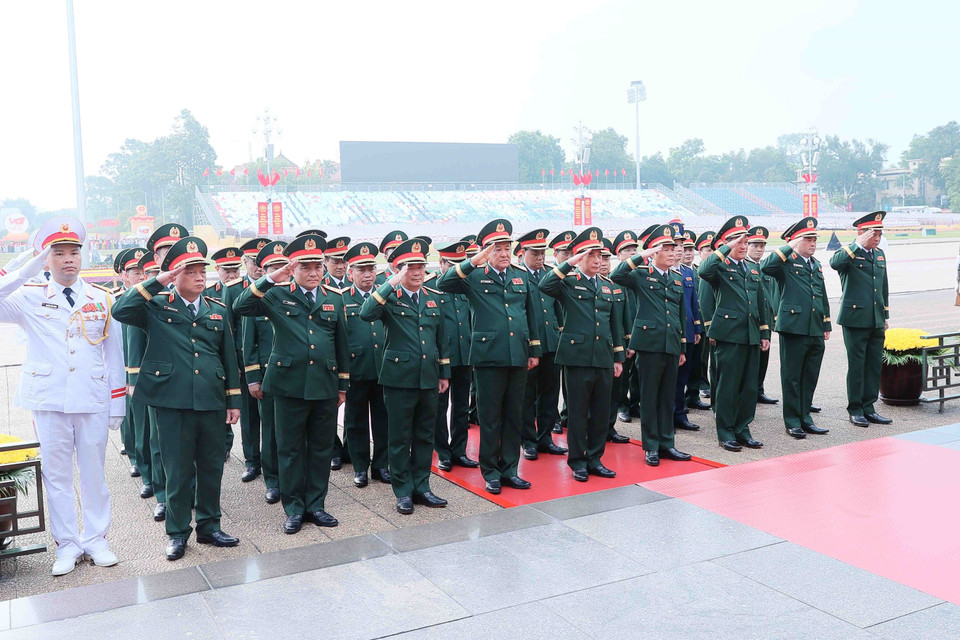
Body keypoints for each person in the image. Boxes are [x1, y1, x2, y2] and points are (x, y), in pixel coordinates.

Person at [0, 218, 125, 575]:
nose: (68, 259)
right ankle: (67, 544)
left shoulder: (101, 298)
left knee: (94, 474)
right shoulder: (27, 296)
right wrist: (23, 269)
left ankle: (97, 539)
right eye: (58, 253)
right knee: (56, 476)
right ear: (46, 259)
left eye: (74, 252)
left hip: (92, 397)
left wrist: (118, 403)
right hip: (48, 399)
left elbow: (114, 355)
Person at [113, 236, 242, 561]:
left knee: (211, 467)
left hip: (211, 400)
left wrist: (233, 401)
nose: (200, 277)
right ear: (174, 275)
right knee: (178, 469)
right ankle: (177, 533)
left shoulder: (217, 310)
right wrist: (159, 281)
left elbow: (228, 358)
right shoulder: (156, 306)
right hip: (171, 402)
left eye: (202, 271)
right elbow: (120, 309)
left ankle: (210, 526)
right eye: (191, 272)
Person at [232, 234, 348, 534]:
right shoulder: (276, 294)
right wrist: (272, 278)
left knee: (321, 448)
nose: (313, 273)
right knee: (291, 449)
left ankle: (316, 505)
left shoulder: (334, 298)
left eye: (317, 267)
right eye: (305, 267)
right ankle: (294, 508)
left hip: (323, 384)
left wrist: (343, 385)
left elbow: (341, 344)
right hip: (287, 385)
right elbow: (242, 306)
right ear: (293, 268)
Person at [437, 219, 541, 495]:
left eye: (507, 248)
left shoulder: (521, 276)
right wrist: (475, 260)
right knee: (490, 417)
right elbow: (444, 282)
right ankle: (491, 472)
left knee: (513, 416)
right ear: (486, 252)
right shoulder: (474, 276)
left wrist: (534, 350)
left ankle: (510, 469)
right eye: (498, 249)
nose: (504, 254)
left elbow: (531, 314)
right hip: (488, 357)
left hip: (518, 355)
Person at [360, 239, 450, 514]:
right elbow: (366, 313)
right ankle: (402, 490)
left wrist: (443, 373)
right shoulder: (389, 298)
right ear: (399, 270)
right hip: (399, 378)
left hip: (428, 376)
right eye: (410, 267)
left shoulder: (434, 297)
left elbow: (441, 339)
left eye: (421, 266)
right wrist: (391, 283)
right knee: (399, 437)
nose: (417, 272)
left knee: (424, 435)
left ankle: (422, 486)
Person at [540, 227, 623, 480]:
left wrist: (618, 357)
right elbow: (545, 285)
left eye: (601, 256)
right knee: (577, 412)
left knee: (600, 411)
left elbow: (614, 324)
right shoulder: (568, 282)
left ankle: (595, 458)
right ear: (579, 258)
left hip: (602, 357)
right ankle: (577, 460)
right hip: (576, 357)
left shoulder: (608, 286)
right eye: (592, 256)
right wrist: (570, 263)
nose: (598, 261)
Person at [612, 225, 692, 466]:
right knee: (649, 396)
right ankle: (651, 446)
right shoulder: (642, 274)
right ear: (654, 252)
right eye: (665, 249)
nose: (671, 252)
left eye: (672, 248)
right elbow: (617, 275)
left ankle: (667, 443)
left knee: (668, 396)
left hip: (670, 344)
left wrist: (681, 347)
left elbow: (680, 316)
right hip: (648, 344)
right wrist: (643, 255)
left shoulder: (676, 278)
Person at [698, 217, 771, 452]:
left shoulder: (751, 268)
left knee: (748, 387)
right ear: (726, 243)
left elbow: (760, 302)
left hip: (750, 334)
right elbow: (703, 270)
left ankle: (743, 429)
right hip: (729, 335)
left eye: (744, 241)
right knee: (728, 386)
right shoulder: (720, 266)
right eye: (738, 241)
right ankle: (726, 431)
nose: (742, 245)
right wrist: (725, 248)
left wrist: (764, 332)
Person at [761, 218, 831, 439]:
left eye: (814, 239)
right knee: (792, 377)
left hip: (815, 327)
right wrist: (789, 246)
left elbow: (822, 295)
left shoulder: (816, 264)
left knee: (810, 376)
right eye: (808, 239)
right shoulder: (786, 262)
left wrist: (826, 323)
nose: (813, 243)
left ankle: (806, 418)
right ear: (796, 241)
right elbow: (766, 266)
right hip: (793, 327)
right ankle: (792, 421)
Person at [829, 211, 892, 427]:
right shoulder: (849, 253)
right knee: (857, 365)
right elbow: (834, 263)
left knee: (873, 365)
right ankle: (855, 408)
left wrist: (884, 315)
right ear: (862, 234)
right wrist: (856, 244)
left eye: (879, 233)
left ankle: (869, 407)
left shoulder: (879, 254)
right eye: (874, 234)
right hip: (855, 319)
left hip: (875, 319)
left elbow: (883, 286)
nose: (877, 237)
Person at [241, 241, 289, 505]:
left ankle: (293, 478)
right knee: (270, 432)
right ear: (264, 269)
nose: (281, 271)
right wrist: (253, 378)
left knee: (293, 433)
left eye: (284, 265)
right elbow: (249, 342)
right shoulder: (258, 297)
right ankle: (272, 481)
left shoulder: (298, 294)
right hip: (268, 376)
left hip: (295, 377)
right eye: (274, 267)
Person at [340, 242, 391, 487]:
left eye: (371, 268)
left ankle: (381, 465)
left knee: (384, 420)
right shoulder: (340, 299)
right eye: (361, 269)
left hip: (383, 368)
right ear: (350, 273)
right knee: (356, 421)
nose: (368, 274)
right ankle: (360, 467)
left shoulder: (385, 295)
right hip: (356, 370)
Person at [515, 229, 568, 461]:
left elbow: (557, 310)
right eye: (534, 253)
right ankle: (528, 440)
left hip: (551, 343)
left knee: (549, 394)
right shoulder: (517, 276)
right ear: (523, 252)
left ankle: (545, 438)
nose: (539, 257)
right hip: (528, 346)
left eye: (541, 253)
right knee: (527, 397)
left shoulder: (550, 274)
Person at [433, 241, 479, 471]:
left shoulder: (468, 284)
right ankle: (443, 452)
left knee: (461, 405)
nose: (455, 269)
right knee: (439, 408)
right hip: (442, 357)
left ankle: (459, 450)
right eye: (451, 265)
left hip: (465, 354)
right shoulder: (431, 286)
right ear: (441, 264)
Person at [135, 250, 168, 522]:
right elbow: (135, 340)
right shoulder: (147, 293)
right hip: (155, 378)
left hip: (186, 380)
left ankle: (187, 493)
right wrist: (134, 378)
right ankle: (163, 494)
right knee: (157, 441)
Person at [670, 226, 702, 433]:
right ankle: (666, 416)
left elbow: (693, 303)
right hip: (670, 333)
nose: (680, 250)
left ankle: (679, 414)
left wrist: (697, 327)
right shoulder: (654, 273)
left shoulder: (688, 272)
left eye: (682, 246)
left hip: (688, 332)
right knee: (668, 378)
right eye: (675, 246)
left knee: (683, 376)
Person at [111, 249, 140, 476]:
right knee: (129, 417)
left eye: (144, 271)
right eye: (135, 271)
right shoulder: (115, 301)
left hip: (149, 369)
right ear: (124, 275)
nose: (140, 276)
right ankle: (135, 455)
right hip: (123, 366)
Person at [599, 237, 631, 444]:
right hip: (595, 347)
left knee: (614, 390)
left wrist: (628, 343)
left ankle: (609, 427)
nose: (603, 262)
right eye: (598, 258)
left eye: (605, 258)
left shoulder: (617, 284)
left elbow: (625, 317)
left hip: (616, 346)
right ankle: (594, 429)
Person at [745, 227, 780, 406]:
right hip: (751, 320)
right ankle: (750, 391)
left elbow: (771, 294)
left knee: (764, 356)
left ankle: (759, 389)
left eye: (762, 246)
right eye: (755, 245)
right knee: (750, 360)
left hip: (765, 319)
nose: (759, 249)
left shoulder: (765, 268)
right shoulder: (745, 266)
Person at [548, 230, 575, 434]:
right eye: (564, 253)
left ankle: (566, 414)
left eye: (570, 252)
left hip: (569, 336)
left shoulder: (575, 276)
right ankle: (553, 418)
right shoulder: (552, 275)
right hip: (551, 333)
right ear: (555, 254)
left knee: (568, 383)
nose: (567, 256)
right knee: (550, 385)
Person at [613, 230, 641, 424]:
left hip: (642, 333)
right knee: (623, 374)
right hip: (624, 334)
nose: (632, 253)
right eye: (627, 250)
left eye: (634, 250)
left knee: (638, 373)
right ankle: (622, 406)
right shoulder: (616, 279)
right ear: (618, 255)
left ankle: (635, 404)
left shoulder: (641, 276)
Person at [692, 231, 717, 406]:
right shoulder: (694, 272)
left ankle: (705, 384)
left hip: (713, 320)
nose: (709, 252)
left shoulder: (715, 271)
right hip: (698, 320)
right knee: (699, 357)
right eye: (705, 249)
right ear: (699, 253)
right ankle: (701, 383)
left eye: (711, 249)